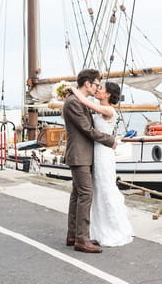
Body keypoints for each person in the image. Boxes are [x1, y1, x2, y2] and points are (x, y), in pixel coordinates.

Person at [70, 80, 134, 246]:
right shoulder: (101, 109)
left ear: (107, 94)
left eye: (101, 88)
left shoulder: (108, 110)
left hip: (104, 152)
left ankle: (111, 228)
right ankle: (97, 229)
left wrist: (72, 89)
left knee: (105, 187)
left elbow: (84, 102)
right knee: (96, 190)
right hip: (96, 151)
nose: (97, 90)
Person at [63, 69, 116, 253]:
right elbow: (87, 129)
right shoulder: (73, 103)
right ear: (87, 83)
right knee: (86, 194)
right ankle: (81, 240)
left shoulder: (79, 102)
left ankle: (74, 235)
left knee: (77, 194)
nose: (96, 88)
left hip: (83, 154)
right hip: (79, 155)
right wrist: (110, 140)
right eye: (95, 84)